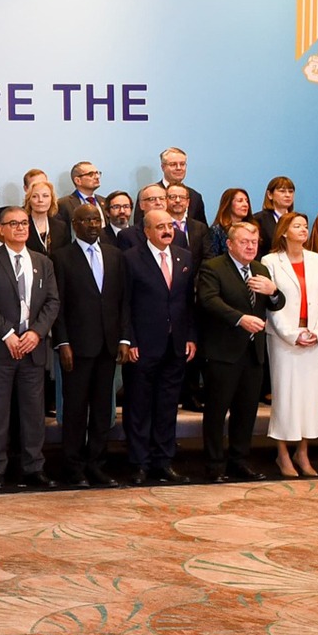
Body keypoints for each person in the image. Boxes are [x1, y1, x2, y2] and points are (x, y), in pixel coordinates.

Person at [0, 206, 61, 488]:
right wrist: (8, 334)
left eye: (24, 223)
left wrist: (36, 333)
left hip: (33, 348)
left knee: (33, 413)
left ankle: (33, 467)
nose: (21, 228)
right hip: (1, 349)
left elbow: (52, 302)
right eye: (13, 223)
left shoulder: (42, 261)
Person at [194, 219, 282, 482]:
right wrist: (240, 318)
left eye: (254, 242)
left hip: (253, 353)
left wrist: (274, 291)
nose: (250, 247)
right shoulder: (213, 267)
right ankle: (214, 465)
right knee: (217, 411)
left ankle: (239, 461)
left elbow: (276, 304)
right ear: (230, 244)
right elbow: (209, 301)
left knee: (246, 412)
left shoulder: (261, 269)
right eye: (244, 242)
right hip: (223, 352)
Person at [49, 204, 128, 488]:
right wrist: (63, 342)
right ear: (75, 224)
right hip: (76, 348)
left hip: (108, 346)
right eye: (87, 220)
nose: (93, 224)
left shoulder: (115, 255)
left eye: (97, 219)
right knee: (74, 411)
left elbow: (122, 301)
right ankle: (73, 467)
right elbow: (57, 306)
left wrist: (124, 338)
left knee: (102, 410)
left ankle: (97, 464)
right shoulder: (61, 257)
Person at [122, 208, 196, 485]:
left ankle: (163, 462)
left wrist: (190, 336)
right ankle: (139, 463)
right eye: (161, 226)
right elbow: (125, 303)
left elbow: (188, 302)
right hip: (142, 346)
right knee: (139, 407)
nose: (168, 230)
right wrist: (130, 340)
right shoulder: (130, 259)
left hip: (175, 345)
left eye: (170, 225)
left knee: (167, 406)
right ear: (147, 231)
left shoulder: (184, 256)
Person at [261, 212, 318, 476]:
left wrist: (317, 332)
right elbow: (271, 305)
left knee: (309, 398)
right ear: (284, 231)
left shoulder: (317, 261)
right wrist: (292, 334)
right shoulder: (270, 261)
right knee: (286, 396)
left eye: (305, 226)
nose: (303, 230)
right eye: (297, 226)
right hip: (284, 339)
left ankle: (303, 452)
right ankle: (282, 454)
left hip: (312, 337)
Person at [157, 147, 207, 224]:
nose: (179, 168)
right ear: (163, 167)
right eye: (173, 164)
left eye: (182, 164)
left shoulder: (195, 196)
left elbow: (202, 230)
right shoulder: (150, 194)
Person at [24, 178, 69, 256]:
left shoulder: (61, 226)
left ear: (52, 199)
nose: (40, 200)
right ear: (29, 200)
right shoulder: (22, 226)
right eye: (35, 196)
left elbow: (65, 255)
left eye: (45, 196)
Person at [208, 188, 252, 259]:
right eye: (240, 201)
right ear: (228, 204)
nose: (245, 204)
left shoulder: (253, 228)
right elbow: (213, 258)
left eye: (246, 201)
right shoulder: (217, 230)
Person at [251, 176, 296, 243]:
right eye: (282, 191)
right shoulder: (259, 219)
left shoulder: (297, 219)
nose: (288, 195)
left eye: (291, 191)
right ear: (270, 195)